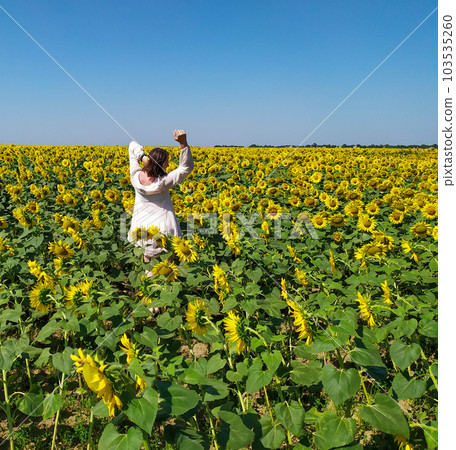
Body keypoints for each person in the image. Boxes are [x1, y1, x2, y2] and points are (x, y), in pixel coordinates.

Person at [127, 130, 194, 277]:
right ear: (161, 164)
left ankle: (149, 280)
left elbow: (132, 146)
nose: (168, 164)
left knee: (148, 262)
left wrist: (143, 157)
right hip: (164, 228)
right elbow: (186, 168)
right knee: (166, 266)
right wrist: (183, 143)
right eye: (166, 162)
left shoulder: (135, 176)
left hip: (142, 227)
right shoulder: (163, 182)